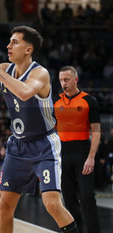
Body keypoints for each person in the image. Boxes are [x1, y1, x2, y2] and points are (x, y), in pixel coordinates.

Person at [0, 26, 78, 233]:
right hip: (17, 145)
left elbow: (25, 92)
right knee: (4, 206)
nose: (8, 46)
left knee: (52, 204)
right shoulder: (4, 68)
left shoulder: (40, 73)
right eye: (9, 41)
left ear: (28, 49)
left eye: (15, 42)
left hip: (44, 144)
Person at [53, 66, 101, 233]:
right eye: (61, 80)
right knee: (69, 199)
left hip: (83, 152)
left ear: (76, 80)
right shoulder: (56, 101)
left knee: (87, 197)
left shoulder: (89, 101)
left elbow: (96, 131)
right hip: (62, 153)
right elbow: (51, 130)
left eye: (66, 80)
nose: (63, 83)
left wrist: (91, 157)